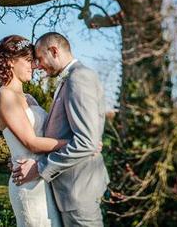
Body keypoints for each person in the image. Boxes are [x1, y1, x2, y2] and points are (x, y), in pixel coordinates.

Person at [12, 32, 109, 227]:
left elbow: (86, 143)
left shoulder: (79, 78)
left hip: (79, 192)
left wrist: (39, 168)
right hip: (69, 191)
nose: (37, 65)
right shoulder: (68, 79)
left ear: (54, 51)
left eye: (39, 58)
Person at [0, 35, 65, 227]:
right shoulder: (4, 96)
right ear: (10, 62)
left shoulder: (29, 98)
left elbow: (47, 133)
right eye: (28, 60)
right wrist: (77, 143)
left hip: (43, 177)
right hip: (28, 185)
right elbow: (31, 142)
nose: (33, 66)